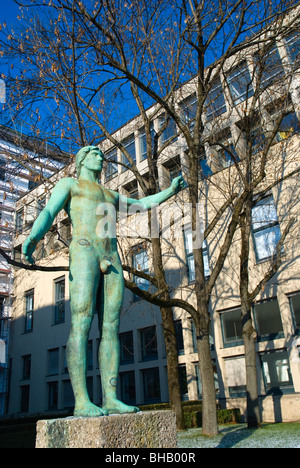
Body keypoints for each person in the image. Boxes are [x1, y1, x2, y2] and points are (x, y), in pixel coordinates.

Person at [23, 145, 185, 417]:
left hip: (111, 257)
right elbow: (50, 212)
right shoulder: (70, 185)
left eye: (102, 154)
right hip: (85, 250)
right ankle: (82, 401)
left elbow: (141, 205)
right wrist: (32, 238)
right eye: (95, 153)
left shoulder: (110, 194)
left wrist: (170, 191)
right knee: (82, 322)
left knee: (111, 325)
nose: (102, 157)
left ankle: (110, 397)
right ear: (82, 159)